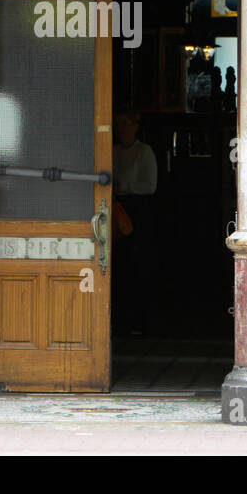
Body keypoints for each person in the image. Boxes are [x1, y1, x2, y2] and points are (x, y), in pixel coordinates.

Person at [113, 109, 157, 336]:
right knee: (119, 263)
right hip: (117, 209)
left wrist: (126, 188)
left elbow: (150, 185)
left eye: (124, 123)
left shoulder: (143, 152)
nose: (120, 128)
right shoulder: (114, 151)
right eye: (118, 124)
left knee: (137, 263)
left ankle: (140, 321)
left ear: (134, 126)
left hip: (137, 210)